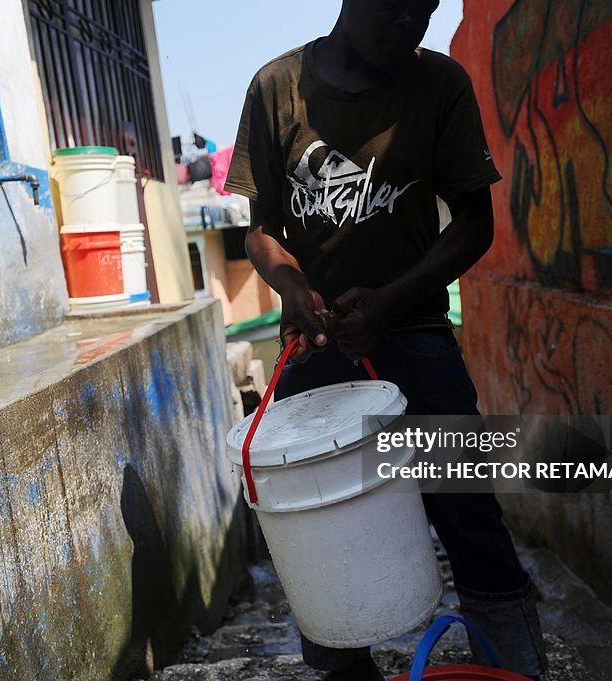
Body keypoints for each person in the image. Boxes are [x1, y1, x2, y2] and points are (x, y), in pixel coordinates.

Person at [224, 1, 549, 680]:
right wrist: (293, 289)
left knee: (471, 519)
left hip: (419, 338)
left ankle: (518, 666)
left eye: (424, 7)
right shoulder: (276, 88)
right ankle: (344, 666)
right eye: (393, 5)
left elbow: (473, 223)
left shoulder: (440, 84)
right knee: (321, 536)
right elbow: (259, 230)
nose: (409, 22)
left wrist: (390, 300)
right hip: (316, 356)